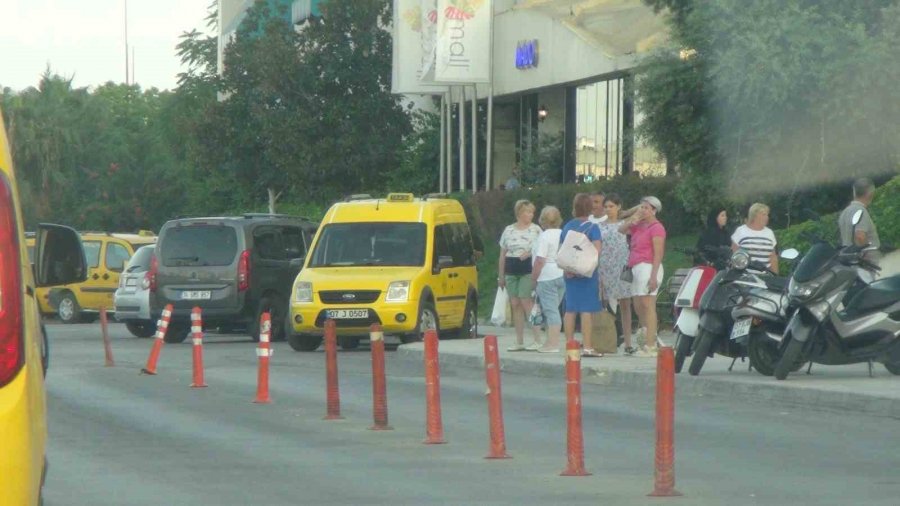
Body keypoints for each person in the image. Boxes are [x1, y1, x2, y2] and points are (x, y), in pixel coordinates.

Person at [619, 196, 666, 357]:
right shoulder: (638, 225)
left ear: (654, 210)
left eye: (647, 208)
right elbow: (621, 229)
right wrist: (633, 218)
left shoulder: (656, 227)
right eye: (642, 207)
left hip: (648, 266)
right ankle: (648, 336)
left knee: (648, 304)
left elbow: (658, 252)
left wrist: (653, 276)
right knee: (638, 305)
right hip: (635, 266)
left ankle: (651, 345)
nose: (643, 210)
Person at [561, 193, 603, 357]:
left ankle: (570, 344)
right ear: (590, 208)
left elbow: (563, 248)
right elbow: (597, 250)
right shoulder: (592, 227)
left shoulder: (567, 226)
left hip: (569, 271)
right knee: (586, 310)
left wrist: (568, 267)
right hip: (586, 273)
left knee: (570, 309)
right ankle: (587, 346)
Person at [498, 200, 542, 352]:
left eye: (532, 212)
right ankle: (519, 340)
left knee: (527, 302)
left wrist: (529, 254)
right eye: (527, 212)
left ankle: (537, 338)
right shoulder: (508, 230)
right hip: (511, 268)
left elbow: (541, 248)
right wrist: (501, 275)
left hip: (527, 268)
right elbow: (502, 254)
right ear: (519, 213)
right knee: (515, 303)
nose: (530, 215)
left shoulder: (536, 229)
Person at [597, 194, 634, 354]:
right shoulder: (599, 226)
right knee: (603, 304)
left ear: (618, 206)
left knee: (625, 304)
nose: (608, 209)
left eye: (611, 206)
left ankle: (627, 342)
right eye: (606, 207)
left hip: (622, 264)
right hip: (605, 265)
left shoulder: (625, 224)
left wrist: (624, 213)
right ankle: (604, 338)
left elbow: (640, 209)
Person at [530, 206, 566, 353]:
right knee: (555, 308)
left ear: (543, 220)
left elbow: (540, 260)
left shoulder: (544, 236)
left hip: (547, 276)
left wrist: (533, 278)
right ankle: (550, 341)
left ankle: (553, 344)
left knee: (550, 311)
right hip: (562, 273)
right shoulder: (564, 233)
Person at [839, 178, 881, 263]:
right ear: (870, 193)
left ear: (854, 192)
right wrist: (866, 258)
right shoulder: (860, 211)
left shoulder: (844, 213)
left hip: (850, 259)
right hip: (867, 262)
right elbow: (860, 236)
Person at [731, 203, 779, 273]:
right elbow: (735, 255)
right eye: (764, 215)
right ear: (754, 215)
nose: (767, 217)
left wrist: (775, 276)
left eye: (767, 215)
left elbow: (773, 257)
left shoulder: (770, 233)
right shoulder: (740, 230)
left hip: (765, 276)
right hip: (745, 274)